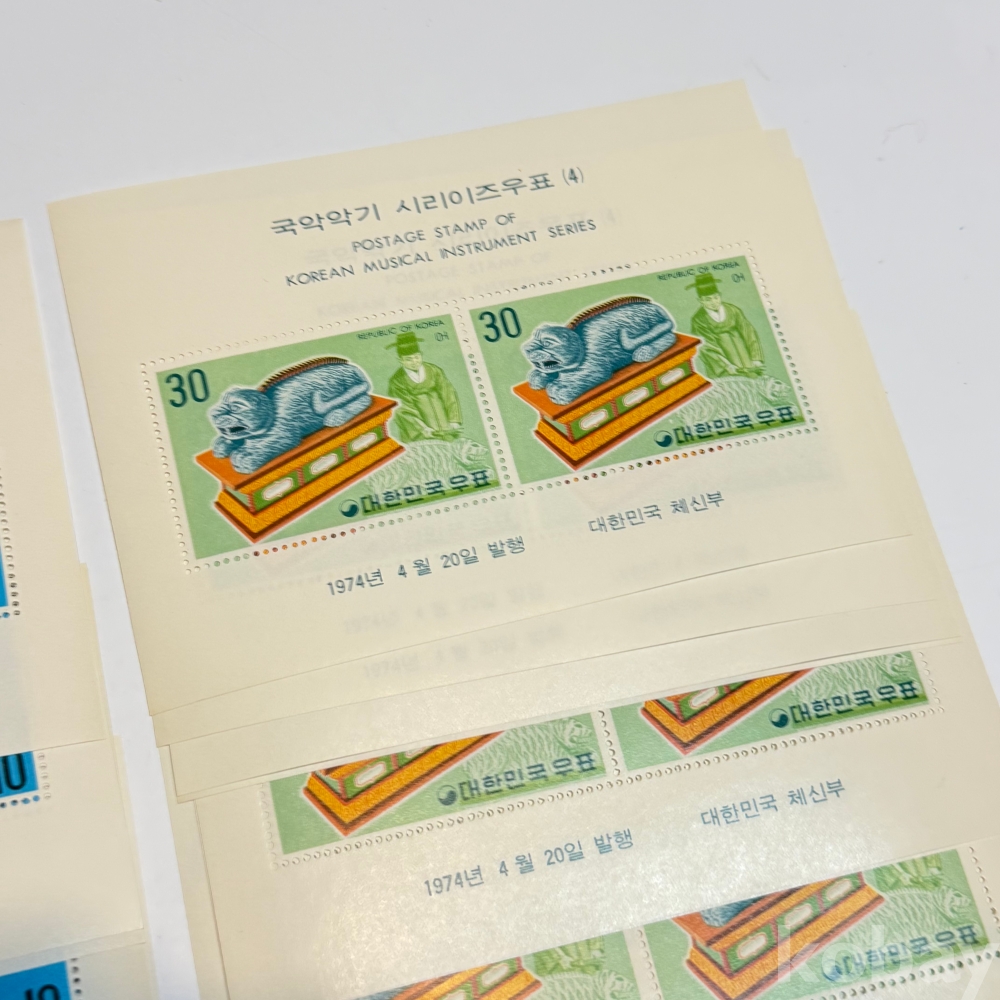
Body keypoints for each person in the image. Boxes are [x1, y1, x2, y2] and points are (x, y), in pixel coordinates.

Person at [386, 331, 463, 442]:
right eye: (408, 359)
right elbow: (403, 409)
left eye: (417, 357)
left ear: (421, 355)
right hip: (419, 431)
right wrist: (423, 429)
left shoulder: (434, 370)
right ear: (400, 360)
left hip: (445, 423)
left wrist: (454, 420)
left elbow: (448, 394)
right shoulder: (396, 381)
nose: (414, 362)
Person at [687, 273, 765, 378]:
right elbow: (706, 346)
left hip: (745, 356)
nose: (713, 302)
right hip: (722, 364)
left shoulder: (733, 310)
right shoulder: (698, 319)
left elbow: (749, 332)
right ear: (700, 300)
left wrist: (756, 358)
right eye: (708, 299)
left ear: (720, 295)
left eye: (716, 297)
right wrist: (726, 366)